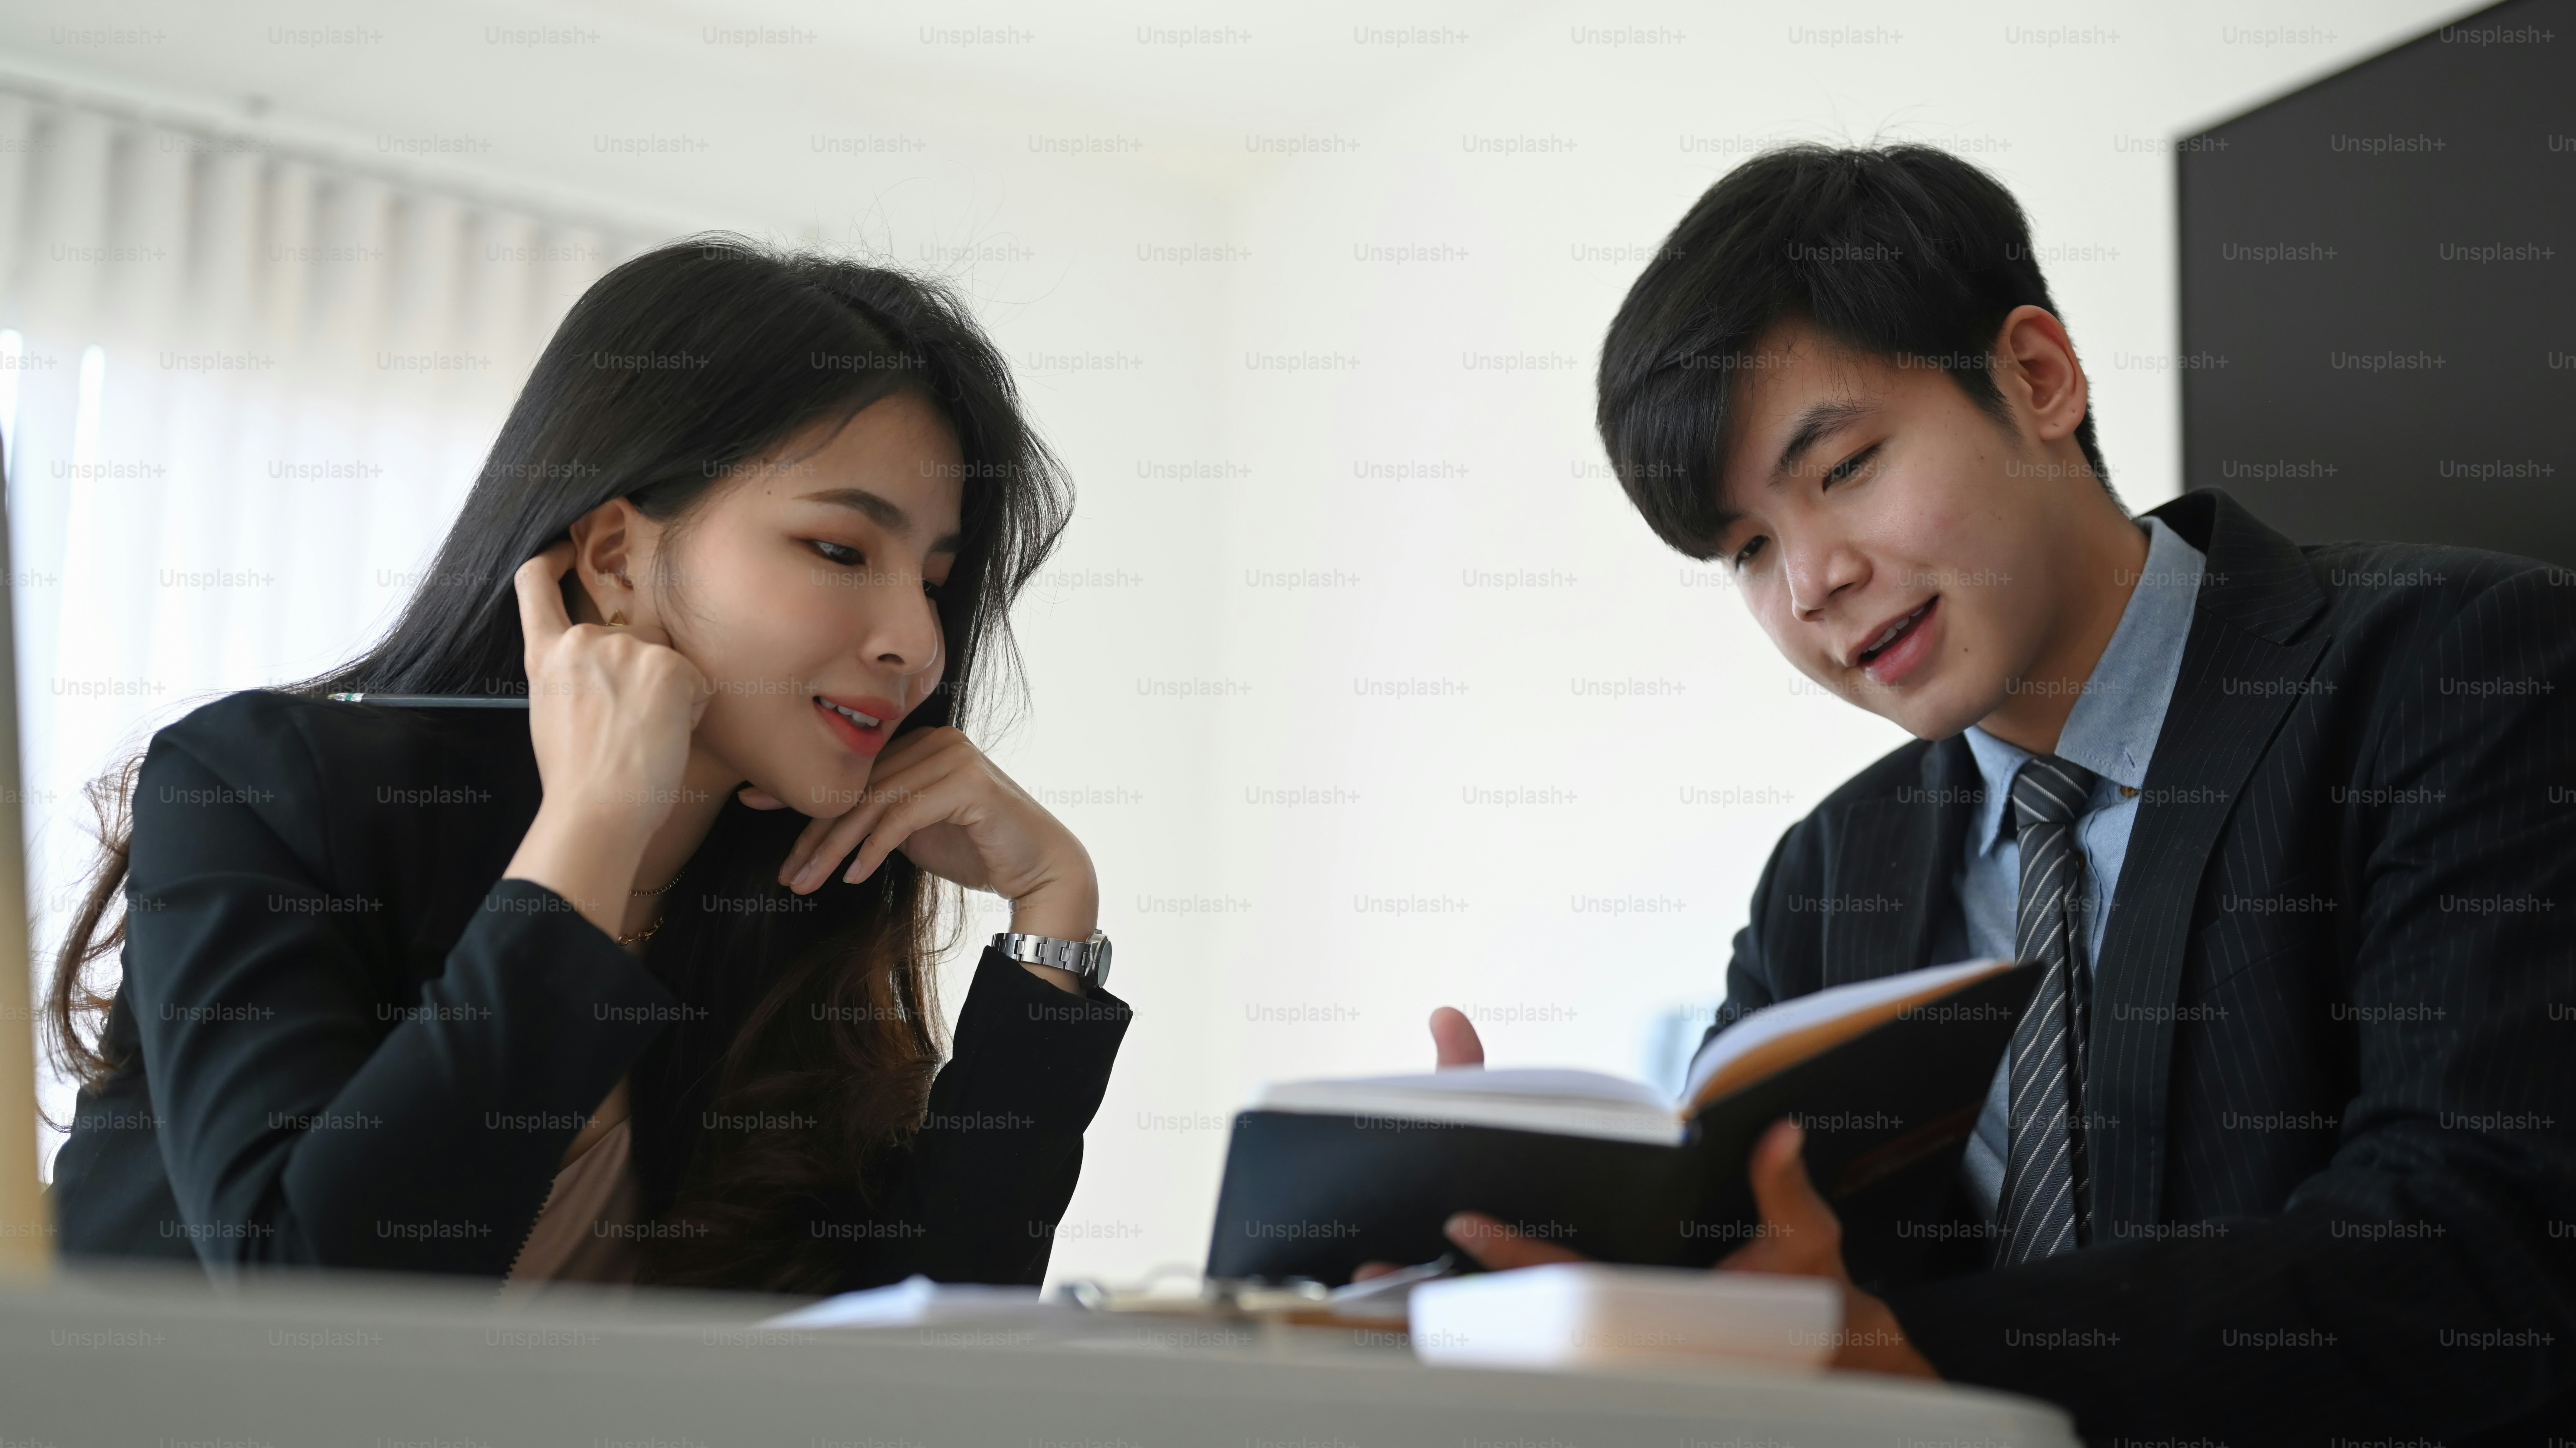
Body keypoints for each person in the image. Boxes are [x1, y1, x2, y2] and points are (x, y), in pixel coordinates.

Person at [1408, 145, 2576, 1441]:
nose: (1811, 583)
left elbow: (2479, 1242)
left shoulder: (2460, 667)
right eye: (1748, 549)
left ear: (2036, 376)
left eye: (1844, 468)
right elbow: (1747, 1272)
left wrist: (1902, 1355)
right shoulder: (1827, 871)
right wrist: (1512, 1244)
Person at [44, 237, 1130, 1295]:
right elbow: (315, 1294)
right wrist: (597, 819)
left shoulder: (789, 907)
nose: (918, 644)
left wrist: (1053, 916)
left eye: (934, 582)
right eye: (841, 550)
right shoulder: (263, 786)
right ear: (616, 557)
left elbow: (912, 1362)